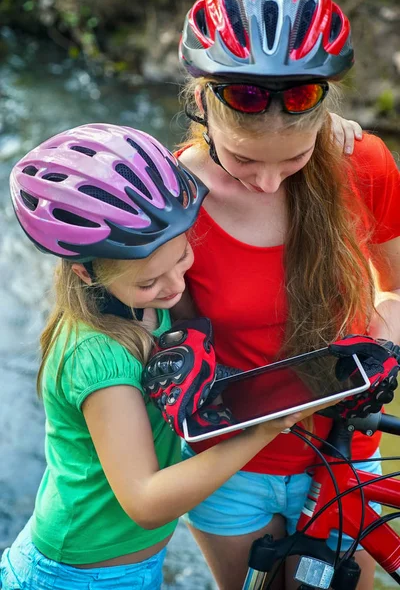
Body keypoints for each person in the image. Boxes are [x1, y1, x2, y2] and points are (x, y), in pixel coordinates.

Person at [0, 123, 322, 590]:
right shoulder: (98, 357)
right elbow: (146, 502)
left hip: (127, 567)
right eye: (150, 282)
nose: (175, 289)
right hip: (76, 577)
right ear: (85, 273)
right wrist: (267, 426)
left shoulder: (146, 304)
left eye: (183, 260)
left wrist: (330, 128)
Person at [172, 0, 400, 589]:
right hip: (233, 466)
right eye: (243, 161)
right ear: (202, 102)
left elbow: (393, 286)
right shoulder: (170, 200)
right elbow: (167, 334)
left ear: (324, 117)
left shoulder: (365, 164)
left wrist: (389, 319)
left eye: (295, 157)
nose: (269, 181)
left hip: (350, 441)